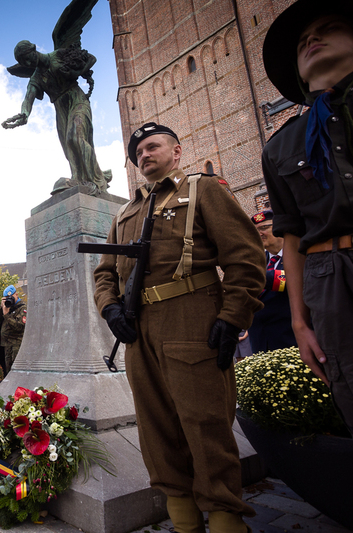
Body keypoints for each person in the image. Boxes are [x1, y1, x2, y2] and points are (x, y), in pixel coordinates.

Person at [93, 122, 265, 533]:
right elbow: (104, 273)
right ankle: (184, 519)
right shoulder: (125, 213)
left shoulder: (203, 190)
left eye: (153, 147)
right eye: (138, 153)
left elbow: (245, 257)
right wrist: (110, 308)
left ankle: (224, 517)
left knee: (205, 424)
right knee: (156, 429)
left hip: (192, 318)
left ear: (177, 151)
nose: (145, 155)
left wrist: (233, 316)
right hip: (139, 331)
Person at [261, 1, 353, 529]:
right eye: (302, 41)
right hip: (330, 282)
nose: (311, 40)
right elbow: (292, 236)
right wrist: (300, 321)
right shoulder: (281, 146)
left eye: (328, 29)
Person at [2, 0, 111, 196]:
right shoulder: (36, 76)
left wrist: (76, 71)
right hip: (60, 108)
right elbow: (28, 97)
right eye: (23, 62)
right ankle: (78, 178)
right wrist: (24, 113)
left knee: (74, 137)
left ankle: (97, 181)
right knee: (68, 148)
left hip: (76, 100)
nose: (27, 63)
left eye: (27, 57)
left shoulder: (58, 55)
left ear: (33, 49)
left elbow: (90, 58)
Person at [247, 211, 297, 354]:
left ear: (280, 228)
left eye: (264, 228)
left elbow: (293, 281)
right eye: (255, 230)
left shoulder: (297, 255)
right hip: (260, 343)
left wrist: (252, 275)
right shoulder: (257, 261)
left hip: (290, 340)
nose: (259, 234)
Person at [0, 285, 26, 372]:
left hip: (17, 345)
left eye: (11, 297)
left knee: (17, 370)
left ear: (16, 295)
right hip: (7, 344)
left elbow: (19, 326)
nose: (9, 300)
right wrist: (2, 308)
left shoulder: (22, 308)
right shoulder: (7, 307)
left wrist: (6, 315)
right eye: (7, 298)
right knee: (9, 371)